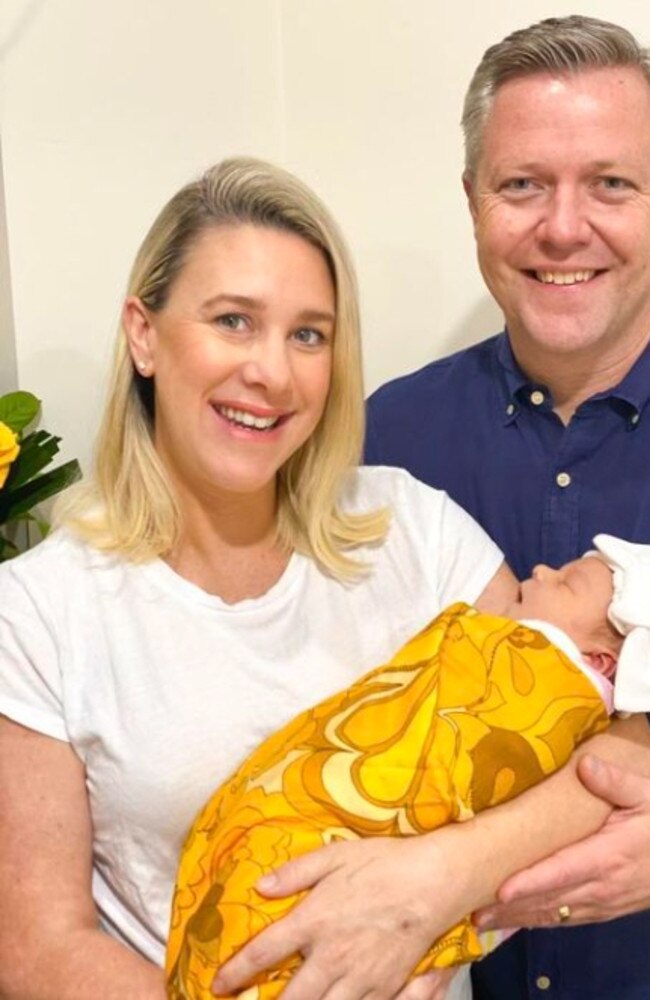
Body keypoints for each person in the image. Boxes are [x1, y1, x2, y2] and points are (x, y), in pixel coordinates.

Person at [0, 155, 518, 1000]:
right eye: (234, 320)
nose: (272, 372)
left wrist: (440, 888)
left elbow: (571, 735)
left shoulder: (413, 532)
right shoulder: (40, 613)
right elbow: (39, 948)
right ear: (144, 334)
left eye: (308, 334)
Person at [365, 14, 650, 1000]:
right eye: (521, 183)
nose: (562, 226)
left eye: (609, 183)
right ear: (471, 201)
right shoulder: (374, 445)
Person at [169, 537, 644, 999]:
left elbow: (462, 767)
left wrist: (441, 877)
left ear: (601, 662)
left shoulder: (542, 684)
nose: (541, 570)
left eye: (566, 584)